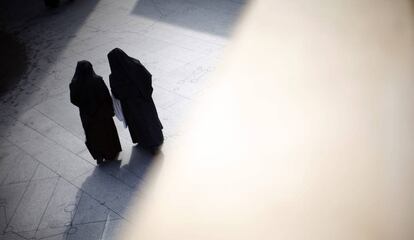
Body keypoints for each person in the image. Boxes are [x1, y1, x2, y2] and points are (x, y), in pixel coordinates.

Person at [107, 48, 164, 149]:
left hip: (130, 105)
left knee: (138, 124)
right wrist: (147, 92)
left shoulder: (114, 76)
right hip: (144, 100)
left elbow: (116, 93)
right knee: (150, 119)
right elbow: (147, 76)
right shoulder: (135, 64)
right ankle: (156, 137)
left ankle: (145, 141)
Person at [70, 60, 122, 164]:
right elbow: (106, 96)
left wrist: (84, 106)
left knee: (92, 135)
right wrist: (110, 110)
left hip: (87, 116)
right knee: (106, 132)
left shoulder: (74, 84)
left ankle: (99, 156)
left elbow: (73, 100)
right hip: (102, 113)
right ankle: (111, 153)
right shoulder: (97, 80)